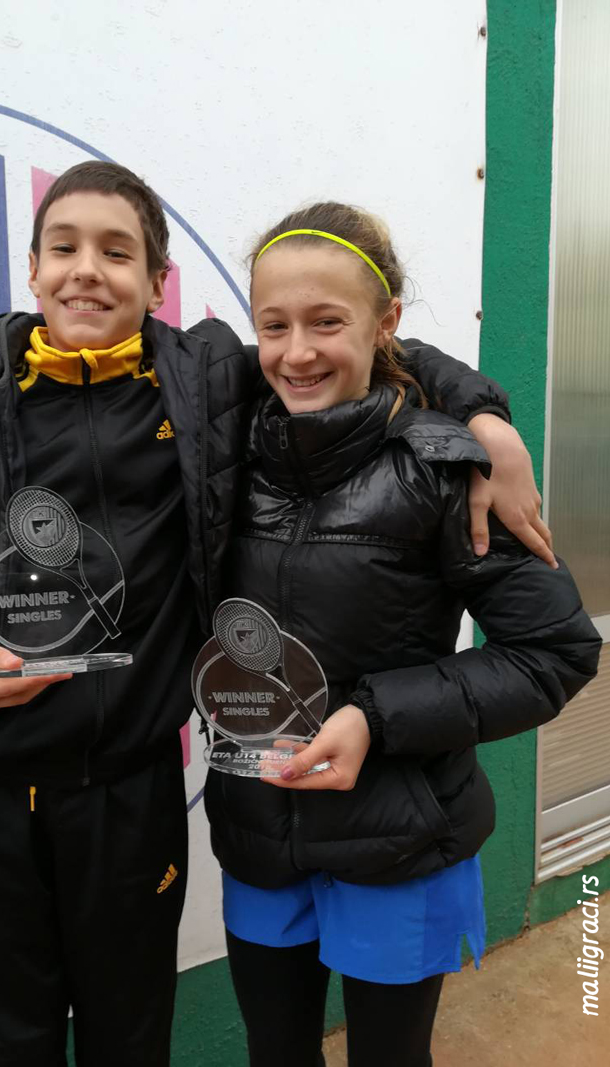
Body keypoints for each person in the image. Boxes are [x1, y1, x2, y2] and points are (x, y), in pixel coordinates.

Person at [0, 164, 556, 1067]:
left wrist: (487, 418)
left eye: (118, 252)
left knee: (131, 1037)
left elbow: (349, 347)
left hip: (129, 789)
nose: (87, 271)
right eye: (64, 247)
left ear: (158, 283)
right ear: (31, 268)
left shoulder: (201, 384)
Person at [199, 203, 602, 1067]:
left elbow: (558, 652)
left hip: (400, 836)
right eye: (274, 323)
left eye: (327, 321)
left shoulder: (445, 467)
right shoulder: (223, 445)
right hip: (260, 825)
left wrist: (375, 718)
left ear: (387, 323)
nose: (296, 351)